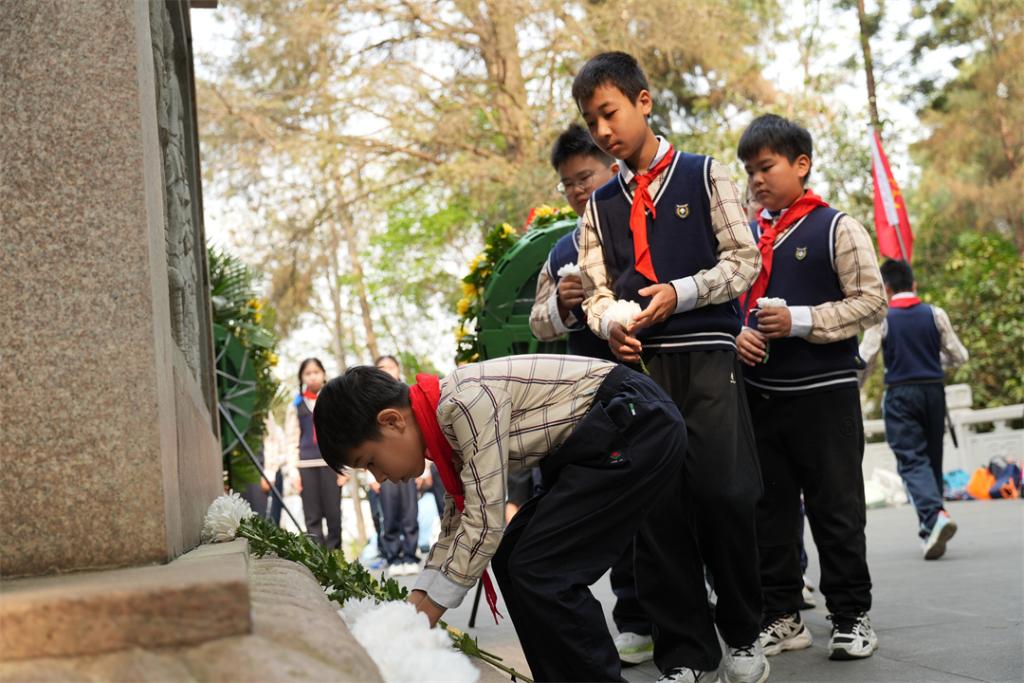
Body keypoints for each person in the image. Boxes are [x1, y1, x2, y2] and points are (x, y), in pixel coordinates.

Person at [313, 355, 688, 683]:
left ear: (393, 421)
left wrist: (416, 624)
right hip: (602, 437)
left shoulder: (463, 404)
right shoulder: (441, 424)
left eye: (370, 462)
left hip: (634, 420)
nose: (379, 478)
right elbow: (457, 523)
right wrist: (409, 610)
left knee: (542, 567)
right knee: (513, 558)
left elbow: (484, 521)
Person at [573, 52, 766, 683]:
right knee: (656, 511)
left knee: (725, 495)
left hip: (707, 357)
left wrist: (680, 293)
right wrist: (610, 323)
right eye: (591, 121)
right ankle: (684, 653)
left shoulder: (706, 175)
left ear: (644, 101)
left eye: (610, 113)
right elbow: (595, 291)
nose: (603, 131)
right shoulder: (598, 206)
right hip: (641, 372)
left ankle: (744, 633)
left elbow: (744, 262)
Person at [735, 114, 887, 661]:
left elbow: (872, 301)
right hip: (760, 396)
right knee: (769, 514)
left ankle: (850, 616)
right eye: (749, 171)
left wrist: (800, 320)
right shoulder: (744, 240)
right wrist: (737, 335)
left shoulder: (837, 227)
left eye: (766, 167)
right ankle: (782, 617)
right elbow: (728, 305)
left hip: (825, 395)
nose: (756, 180)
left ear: (801, 164)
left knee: (836, 510)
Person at [528, 122, 654, 666]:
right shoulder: (561, 249)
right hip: (596, 397)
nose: (579, 190)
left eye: (586, 177)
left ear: (612, 168)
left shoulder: (639, 223)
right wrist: (561, 303)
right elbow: (538, 323)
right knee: (620, 509)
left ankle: (692, 607)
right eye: (569, 183)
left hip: (655, 379)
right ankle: (636, 620)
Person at [860, 259, 968, 559]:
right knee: (931, 459)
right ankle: (930, 528)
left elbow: (865, 359)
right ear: (914, 285)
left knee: (911, 459)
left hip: (900, 393)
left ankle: (935, 516)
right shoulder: (936, 313)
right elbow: (959, 356)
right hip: (933, 391)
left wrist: (854, 388)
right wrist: (932, 361)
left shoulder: (882, 318)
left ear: (886, 288)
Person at [285, 358, 347, 549]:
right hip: (306, 466)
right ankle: (318, 559)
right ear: (302, 377)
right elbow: (292, 439)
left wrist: (344, 468)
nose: (312, 377)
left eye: (316, 372)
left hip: (331, 465)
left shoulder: (334, 400)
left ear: (323, 374)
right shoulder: (296, 405)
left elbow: (342, 435)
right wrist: (293, 471)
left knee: (334, 515)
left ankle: (336, 557)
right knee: (312, 517)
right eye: (308, 373)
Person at [374, 354, 424, 576]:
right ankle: (393, 557)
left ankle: (411, 555)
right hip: (384, 465)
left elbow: (420, 430)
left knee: (410, 512)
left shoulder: (407, 395)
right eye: (381, 368)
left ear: (398, 369)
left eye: (390, 367)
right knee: (389, 511)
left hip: (410, 461)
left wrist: (425, 469)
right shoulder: (370, 401)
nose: (387, 371)